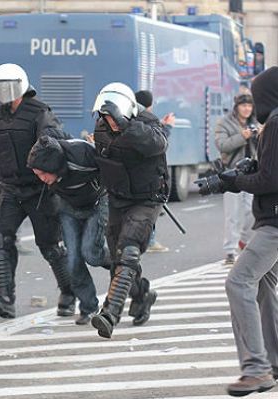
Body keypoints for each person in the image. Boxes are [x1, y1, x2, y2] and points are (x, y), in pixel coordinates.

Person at [205, 66, 278, 397]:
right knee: (263, 282)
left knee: (238, 281)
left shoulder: (275, 121)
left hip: (275, 221)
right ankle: (274, 361)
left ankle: (255, 369)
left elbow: (271, 180)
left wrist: (235, 181)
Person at [0, 63, 74, 319]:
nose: (2, 93)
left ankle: (68, 291)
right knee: (1, 238)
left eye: (6, 88)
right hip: (9, 187)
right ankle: (5, 296)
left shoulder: (38, 112)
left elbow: (56, 140)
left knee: (50, 246)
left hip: (39, 189)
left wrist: (47, 147)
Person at [90, 82, 169, 338]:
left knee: (129, 250)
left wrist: (128, 127)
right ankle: (141, 294)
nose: (109, 123)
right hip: (118, 197)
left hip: (147, 198)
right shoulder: (101, 127)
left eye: (114, 118)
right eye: (106, 118)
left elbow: (159, 144)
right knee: (118, 260)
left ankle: (110, 313)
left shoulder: (146, 123)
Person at [27, 135, 112, 325]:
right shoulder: (45, 172)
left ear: (53, 165)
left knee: (91, 253)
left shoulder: (82, 155)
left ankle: (122, 266)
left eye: (43, 174)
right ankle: (88, 307)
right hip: (68, 208)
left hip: (97, 203)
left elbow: (111, 169)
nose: (42, 179)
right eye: (37, 175)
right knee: (73, 260)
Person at [215, 92, 259, 265]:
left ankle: (244, 240)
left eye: (250, 106)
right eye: (244, 105)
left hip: (252, 173)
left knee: (252, 211)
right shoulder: (224, 123)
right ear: (237, 107)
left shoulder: (254, 122)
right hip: (231, 174)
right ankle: (230, 250)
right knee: (232, 215)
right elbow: (222, 145)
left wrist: (260, 135)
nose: (247, 109)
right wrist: (243, 136)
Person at [135, 90, 176, 253]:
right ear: (150, 105)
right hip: (149, 173)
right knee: (149, 208)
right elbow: (159, 141)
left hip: (135, 173)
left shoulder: (130, 118)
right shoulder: (148, 120)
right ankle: (149, 241)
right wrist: (168, 127)